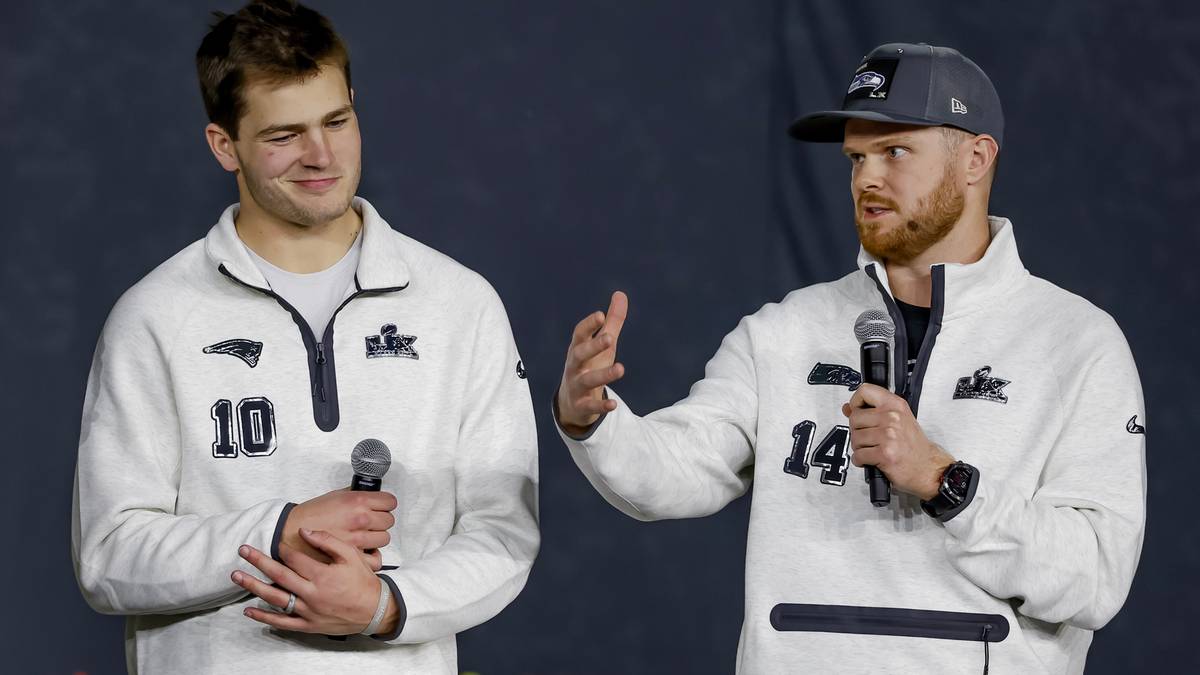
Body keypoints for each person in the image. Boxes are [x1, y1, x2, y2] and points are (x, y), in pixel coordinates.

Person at [554, 42, 1146, 673]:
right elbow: (675, 470)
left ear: (975, 158)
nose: (867, 179)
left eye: (895, 152)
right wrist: (593, 420)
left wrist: (945, 482)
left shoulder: (1077, 343)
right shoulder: (785, 331)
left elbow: (1096, 576)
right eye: (857, 158)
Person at [71, 1, 538, 672]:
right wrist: (277, 530)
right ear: (224, 145)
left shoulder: (460, 305)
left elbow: (504, 534)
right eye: (284, 135)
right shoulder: (155, 317)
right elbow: (108, 555)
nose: (321, 155)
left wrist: (385, 605)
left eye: (337, 122)